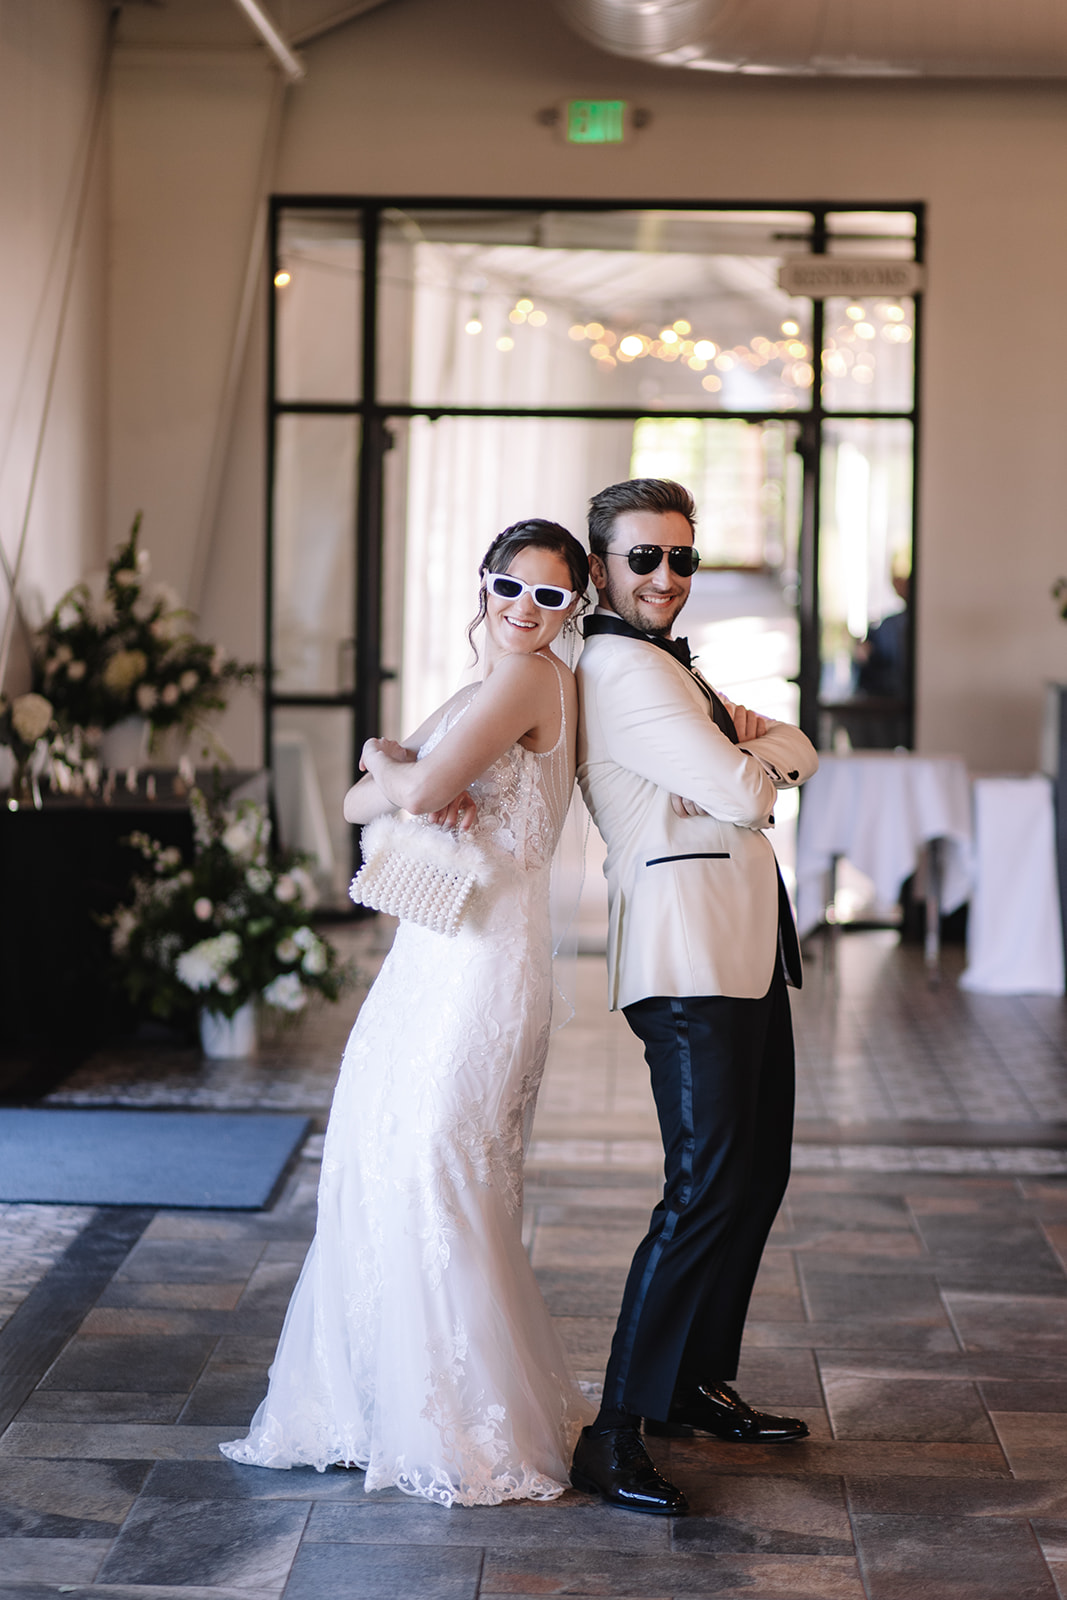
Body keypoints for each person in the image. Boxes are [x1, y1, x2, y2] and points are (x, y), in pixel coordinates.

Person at [221, 519, 594, 1507]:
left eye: (550, 598)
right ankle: (381, 1403)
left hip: (476, 965)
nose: (524, 608)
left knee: (436, 1163)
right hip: (429, 956)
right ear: (484, 582)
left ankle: (461, 1421)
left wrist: (396, 765)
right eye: (510, 586)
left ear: (572, 610)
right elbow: (358, 804)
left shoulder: (527, 680)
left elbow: (407, 786)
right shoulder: (485, 686)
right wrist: (394, 767)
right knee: (380, 1149)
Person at [570, 479, 819, 1516]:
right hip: (684, 958)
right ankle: (615, 1427)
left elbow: (786, 749)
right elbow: (749, 790)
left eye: (680, 558)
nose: (665, 577)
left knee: (753, 1174)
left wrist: (747, 755)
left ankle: (690, 1383)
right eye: (643, 558)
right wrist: (749, 760)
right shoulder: (624, 669)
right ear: (598, 568)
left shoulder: (672, 671)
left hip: (739, 947)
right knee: (703, 1187)